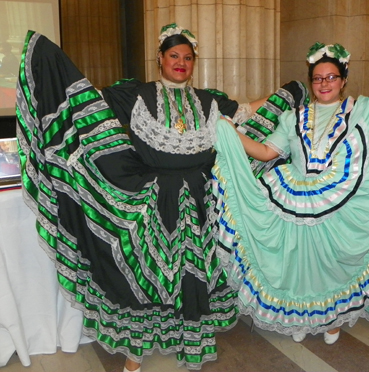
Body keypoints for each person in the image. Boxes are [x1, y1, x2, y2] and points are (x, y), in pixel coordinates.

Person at [16, 24, 309, 372]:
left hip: (203, 202)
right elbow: (88, 103)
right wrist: (52, 66)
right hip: (152, 201)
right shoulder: (135, 95)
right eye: (174, 56)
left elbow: (248, 110)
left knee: (194, 275)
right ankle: (136, 349)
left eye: (187, 57)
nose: (181, 62)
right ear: (160, 58)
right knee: (145, 274)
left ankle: (192, 341)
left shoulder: (209, 100)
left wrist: (288, 94)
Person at [212, 33, 369, 345]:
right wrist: (229, 131)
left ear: (344, 80)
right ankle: (303, 317)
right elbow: (265, 153)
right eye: (317, 78)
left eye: (331, 77)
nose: (324, 83)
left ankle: (332, 319)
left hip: (340, 198)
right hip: (296, 196)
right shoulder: (294, 117)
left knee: (330, 264)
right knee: (298, 264)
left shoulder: (362, 110)